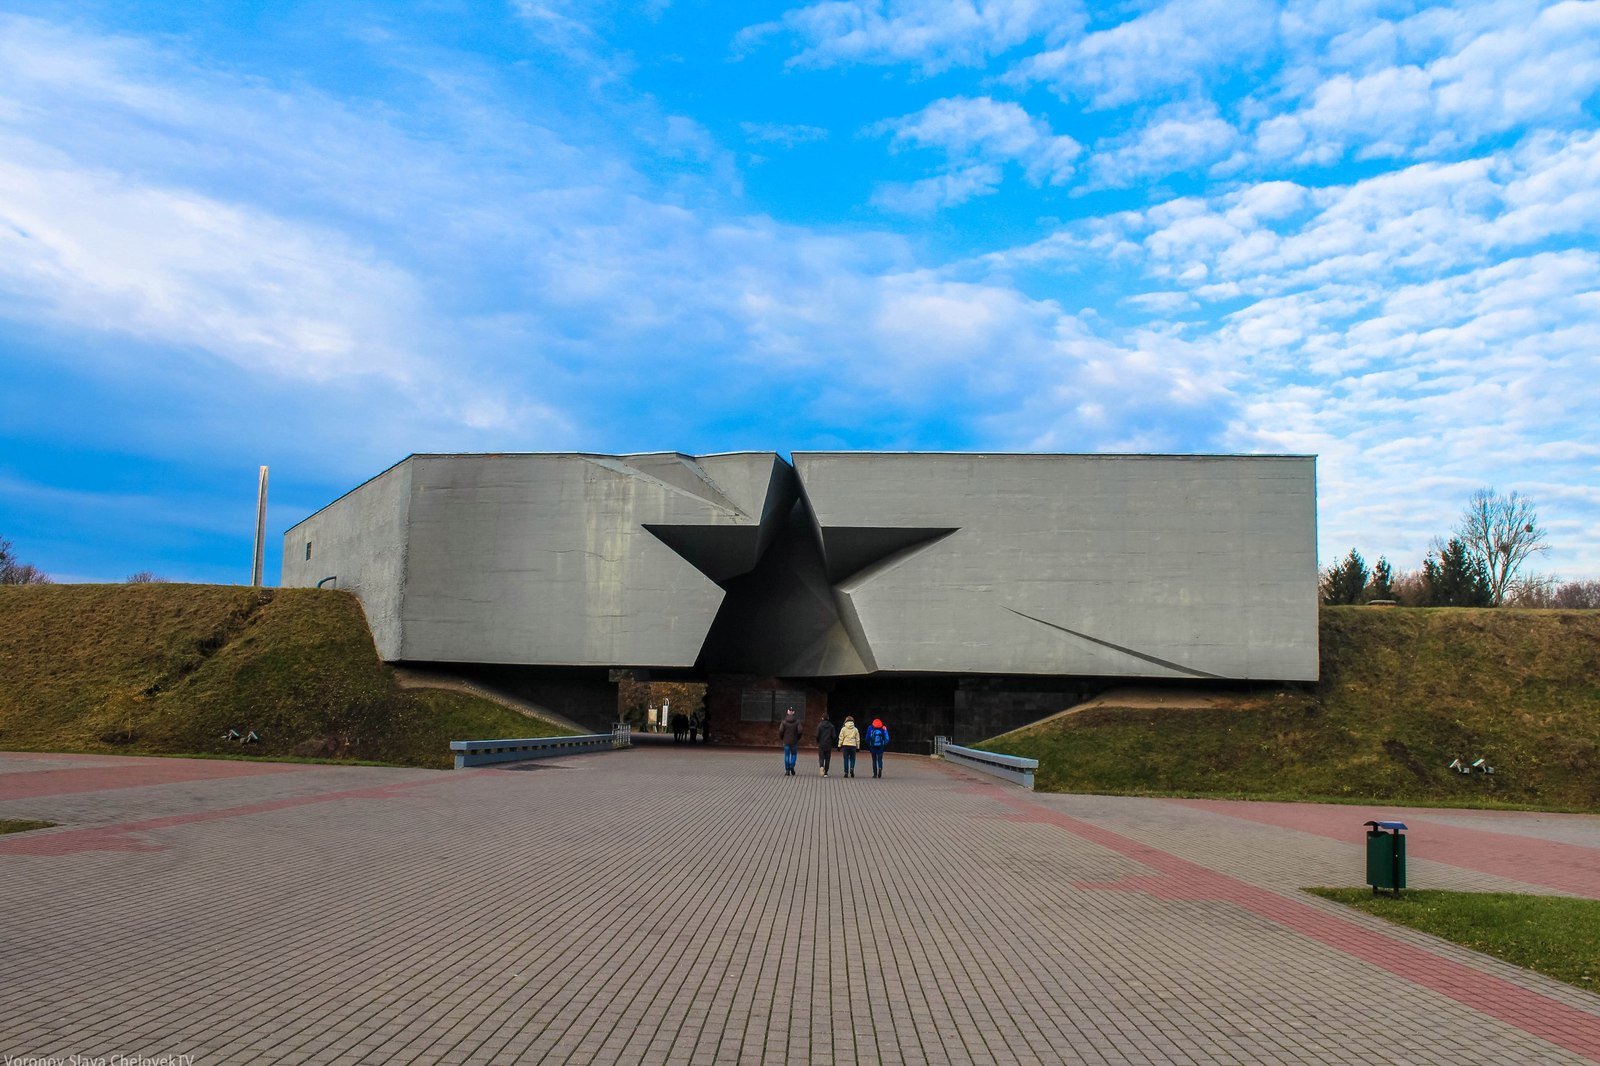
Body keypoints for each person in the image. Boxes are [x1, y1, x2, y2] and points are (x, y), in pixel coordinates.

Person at [777, 707, 802, 775]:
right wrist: (798, 738)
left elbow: (780, 731)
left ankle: (787, 770)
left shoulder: (784, 722)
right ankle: (792, 765)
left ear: (788, 712)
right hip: (794, 741)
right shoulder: (797, 722)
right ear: (793, 712)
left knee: (787, 755)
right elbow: (800, 731)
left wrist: (782, 737)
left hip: (786, 741)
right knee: (794, 754)